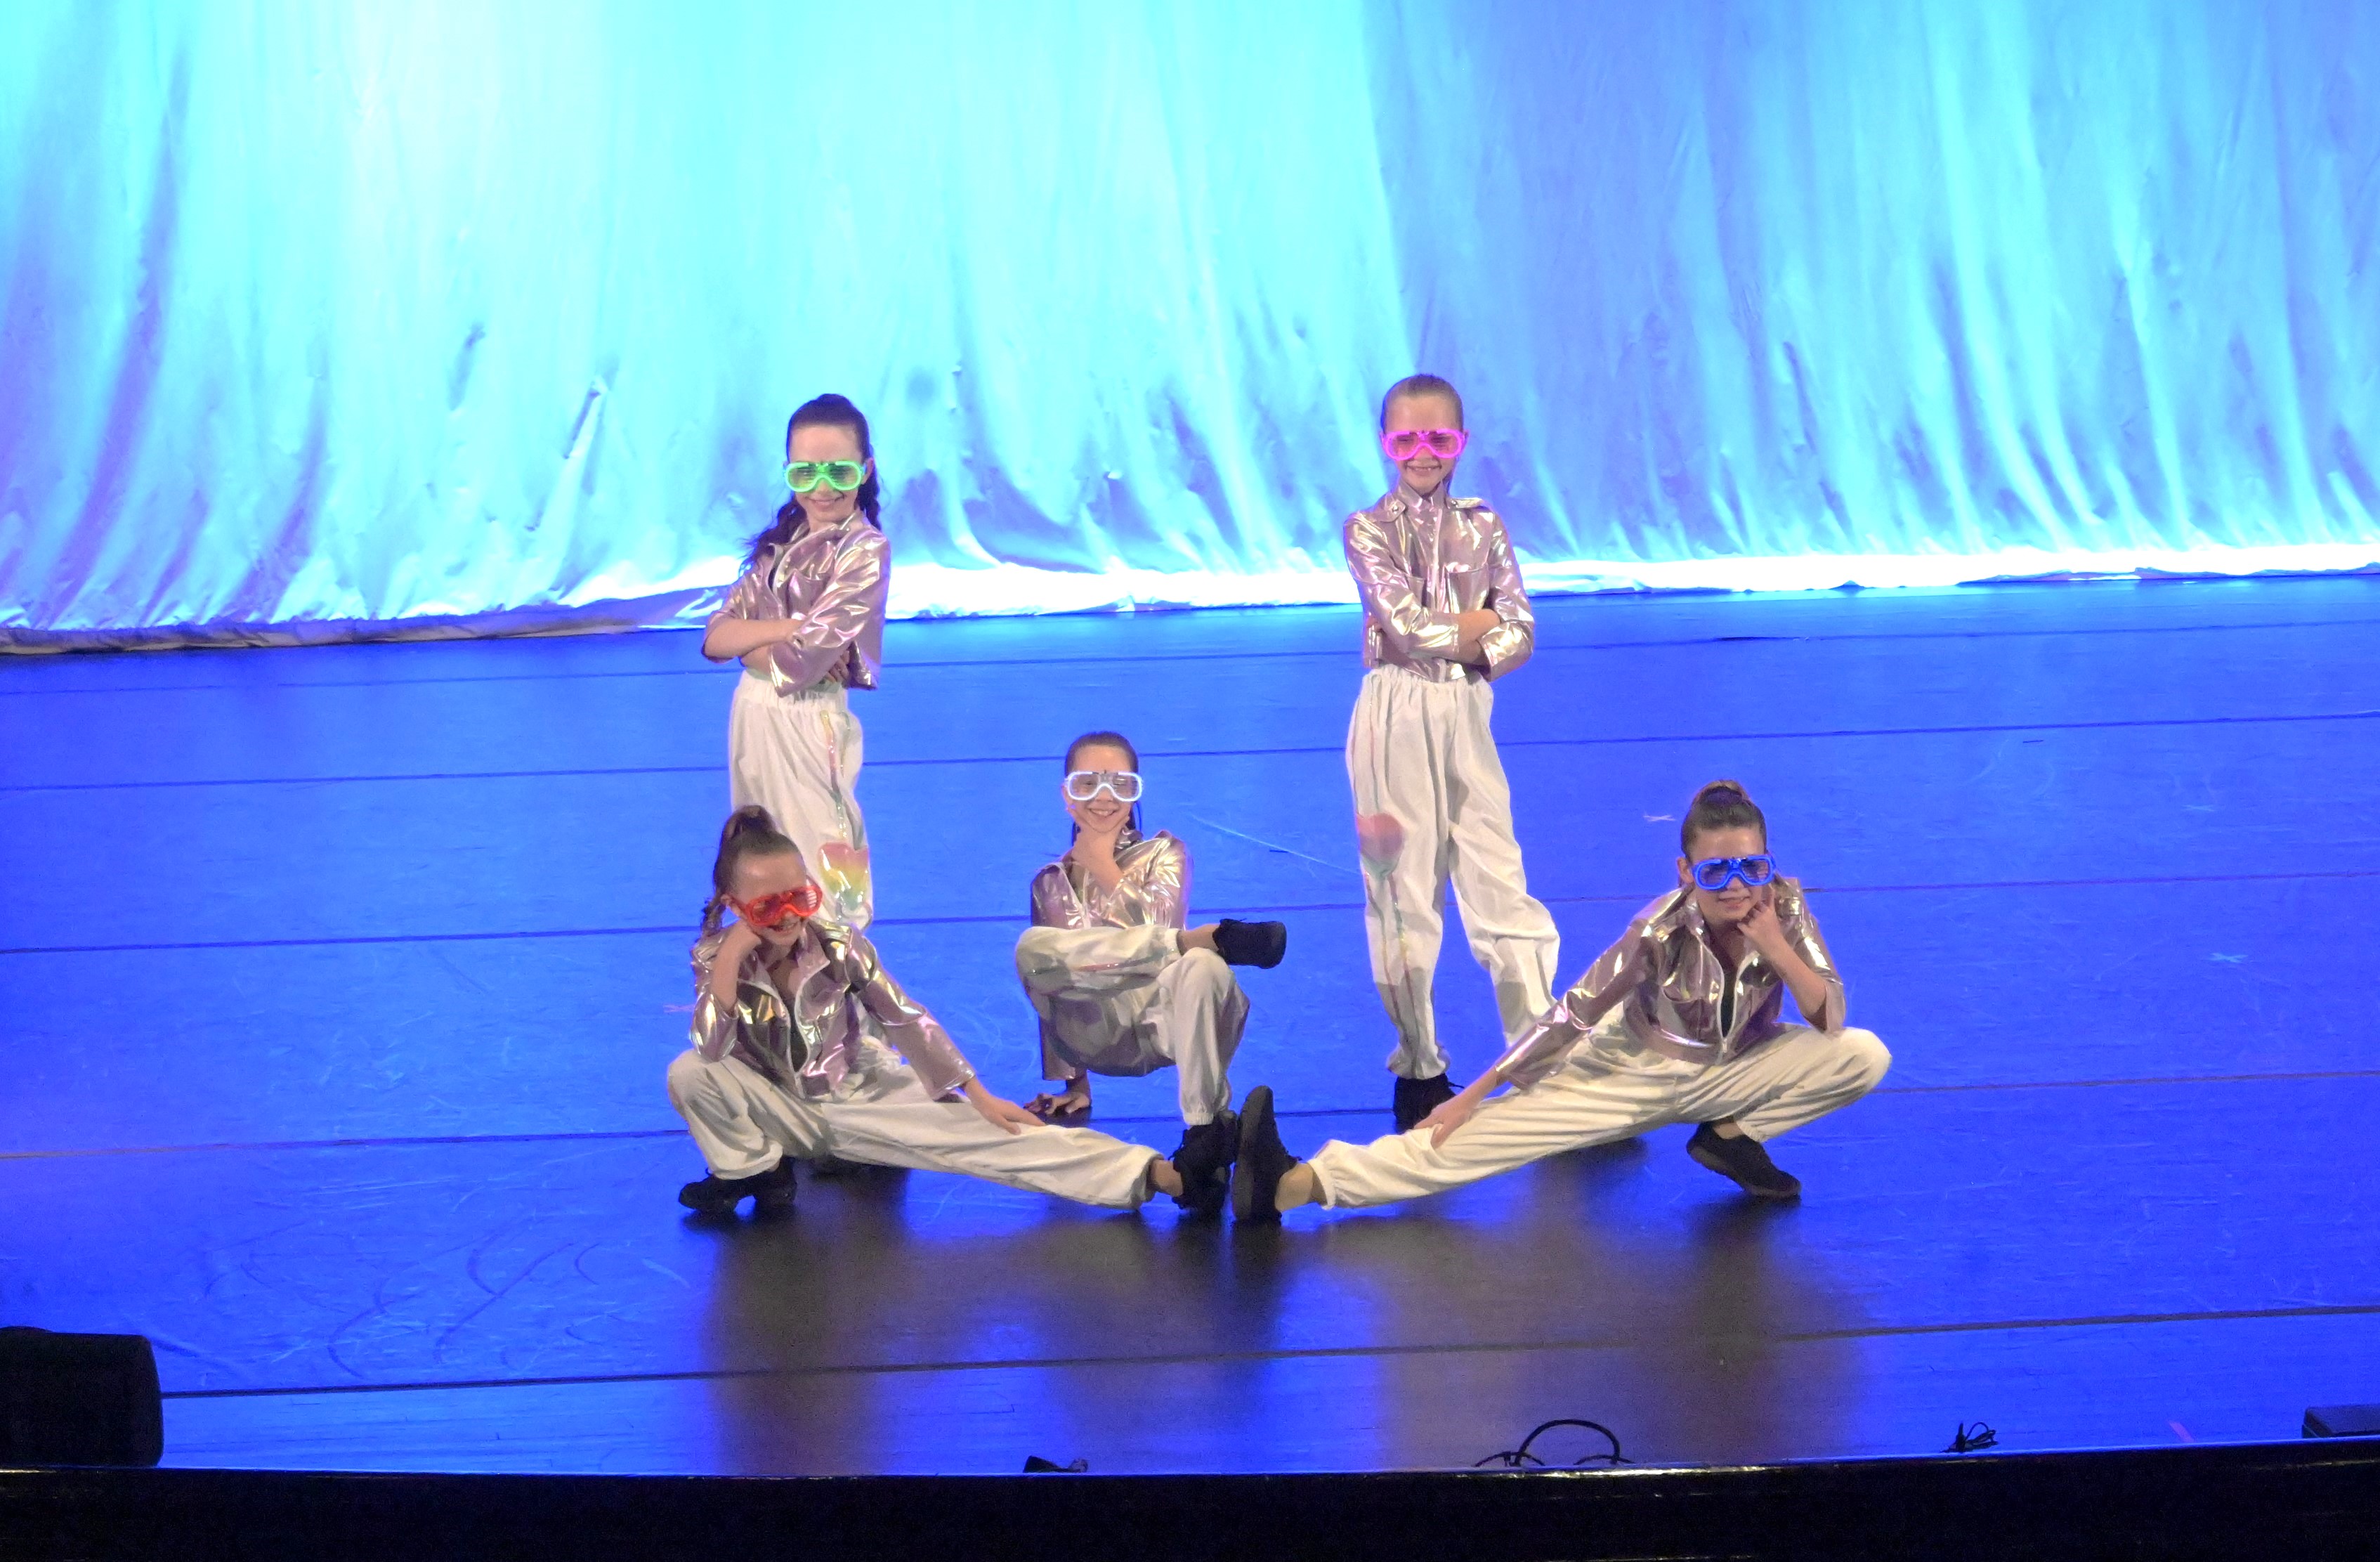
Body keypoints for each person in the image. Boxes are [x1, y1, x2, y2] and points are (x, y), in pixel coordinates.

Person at [1231, 781, 1892, 1221]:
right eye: (1716, 870)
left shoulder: (1785, 908)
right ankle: (1298, 1183)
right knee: (1475, 1139)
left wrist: (1776, 946)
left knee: (1863, 1054)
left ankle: (1731, 1137)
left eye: (1752, 867)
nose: (1737, 885)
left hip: (1734, 1067)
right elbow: (1574, 1012)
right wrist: (1472, 1094)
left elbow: (1829, 1014)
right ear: (1686, 871)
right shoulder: (1657, 931)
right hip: (1633, 1073)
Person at [667, 807, 1201, 1216]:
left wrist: (978, 1095)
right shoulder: (713, 957)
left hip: (858, 1095)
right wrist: (731, 957)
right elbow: (711, 1047)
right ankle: (753, 1170)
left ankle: (1156, 1175)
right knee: (688, 1072)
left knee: (996, 1138)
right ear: (736, 907)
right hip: (780, 1103)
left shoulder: (837, 943)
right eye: (767, 907)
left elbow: (904, 1016)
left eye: (799, 898)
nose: (788, 917)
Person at [1342, 373, 1562, 1131]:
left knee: (1500, 878)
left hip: (1468, 707)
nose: (1423, 452)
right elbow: (1403, 629)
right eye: (1406, 438)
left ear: (1462, 442)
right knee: (1403, 893)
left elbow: (1521, 630)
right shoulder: (1366, 529)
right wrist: (1476, 625)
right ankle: (1419, 1065)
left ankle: (1538, 1058)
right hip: (1393, 712)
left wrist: (1473, 642)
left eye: (1439, 437)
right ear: (1386, 444)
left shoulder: (1485, 526)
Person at [1012, 731, 1288, 1216]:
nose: (1103, 797)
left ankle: (1205, 1134)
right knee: (1034, 949)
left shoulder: (1165, 854)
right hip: (1093, 1032)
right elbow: (1054, 983)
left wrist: (1103, 866)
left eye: (1120, 784)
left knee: (1201, 964)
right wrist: (1073, 1083)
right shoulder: (1048, 883)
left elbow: (1156, 932)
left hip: (1165, 1025)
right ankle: (1211, 937)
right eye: (1088, 783)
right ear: (1066, 794)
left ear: (1136, 792)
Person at [701, 394, 888, 928]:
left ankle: (846, 954)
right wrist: (787, 628)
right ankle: (774, 956)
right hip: (752, 712)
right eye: (805, 472)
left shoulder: (864, 550)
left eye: (839, 471)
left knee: (827, 848)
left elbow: (804, 662)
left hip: (810, 718)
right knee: (758, 844)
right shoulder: (778, 546)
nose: (822, 487)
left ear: (865, 470)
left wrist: (751, 644)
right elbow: (714, 637)